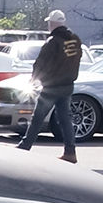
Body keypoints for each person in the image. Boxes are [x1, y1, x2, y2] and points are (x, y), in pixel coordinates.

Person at [16, 9, 84, 163]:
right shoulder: (75, 40)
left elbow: (41, 63)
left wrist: (34, 79)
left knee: (37, 118)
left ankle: (24, 148)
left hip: (52, 87)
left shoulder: (53, 42)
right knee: (65, 119)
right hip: (68, 85)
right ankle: (70, 152)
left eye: (49, 23)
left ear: (52, 24)